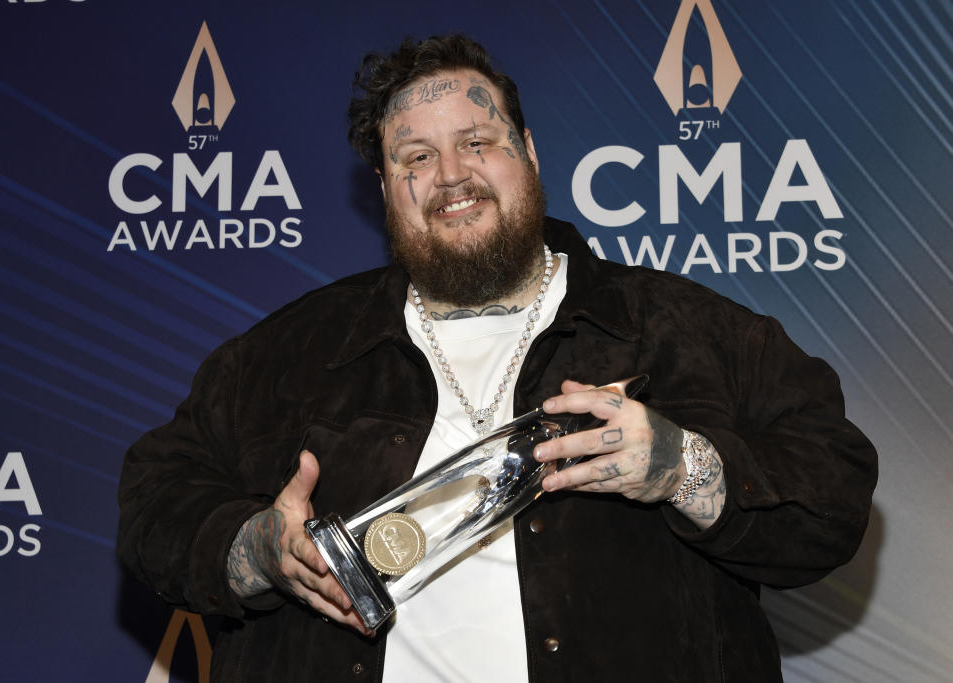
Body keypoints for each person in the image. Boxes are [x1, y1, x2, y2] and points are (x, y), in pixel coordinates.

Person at [117, 34, 877, 682]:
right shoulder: (288, 354)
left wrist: (682, 466)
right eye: (415, 155)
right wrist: (257, 549)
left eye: (477, 142)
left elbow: (832, 491)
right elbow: (154, 499)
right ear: (385, 189)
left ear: (528, 153)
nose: (450, 175)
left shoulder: (686, 330)